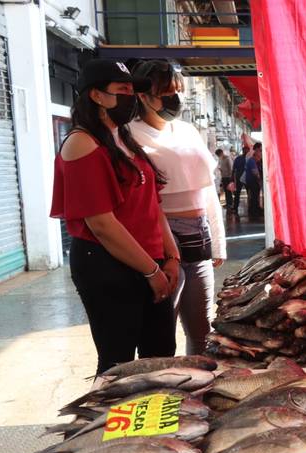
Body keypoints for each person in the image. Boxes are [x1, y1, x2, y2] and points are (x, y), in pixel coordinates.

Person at [50, 59, 179, 375]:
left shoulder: (124, 138)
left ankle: (154, 424)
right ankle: (106, 422)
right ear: (96, 96)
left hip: (149, 260)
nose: (131, 98)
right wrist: (151, 271)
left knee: (160, 355)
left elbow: (151, 206)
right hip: (107, 264)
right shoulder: (82, 143)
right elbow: (102, 224)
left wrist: (172, 257)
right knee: (117, 361)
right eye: (122, 90)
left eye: (133, 91)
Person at [130, 60, 227, 356]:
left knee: (201, 330)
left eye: (178, 91)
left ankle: (194, 390)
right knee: (161, 333)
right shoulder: (129, 135)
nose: (176, 98)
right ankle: (164, 394)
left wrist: (218, 244)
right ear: (144, 96)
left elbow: (207, 190)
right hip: (159, 242)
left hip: (199, 239)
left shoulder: (187, 131)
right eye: (167, 93)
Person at [244, 142, 264, 219]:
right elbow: (255, 173)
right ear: (256, 150)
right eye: (260, 150)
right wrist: (261, 179)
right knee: (254, 197)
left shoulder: (257, 161)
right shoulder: (252, 160)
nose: (261, 153)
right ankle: (254, 212)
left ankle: (256, 210)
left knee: (256, 196)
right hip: (252, 182)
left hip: (255, 182)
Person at [231, 144, 249, 215]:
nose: (246, 151)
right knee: (237, 193)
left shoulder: (249, 158)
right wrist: (232, 177)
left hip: (247, 178)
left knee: (249, 193)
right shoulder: (238, 158)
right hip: (239, 178)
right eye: (245, 150)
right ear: (243, 150)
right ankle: (235, 207)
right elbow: (233, 169)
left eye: (247, 150)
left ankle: (250, 207)